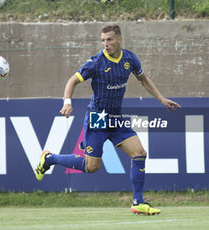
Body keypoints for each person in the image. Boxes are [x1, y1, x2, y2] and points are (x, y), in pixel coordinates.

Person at [35, 23, 181, 215]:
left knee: (139, 153)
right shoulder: (95, 62)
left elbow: (143, 79)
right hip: (97, 118)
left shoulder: (130, 59)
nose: (106, 44)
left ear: (119, 40)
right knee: (92, 167)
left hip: (116, 119)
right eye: (103, 40)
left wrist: (161, 98)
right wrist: (67, 102)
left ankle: (138, 202)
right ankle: (49, 159)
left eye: (110, 39)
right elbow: (72, 80)